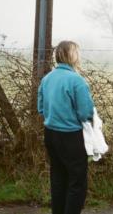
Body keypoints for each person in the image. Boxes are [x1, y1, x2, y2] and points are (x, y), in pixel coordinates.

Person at [38, 41, 94, 214]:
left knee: (58, 178)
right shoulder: (77, 81)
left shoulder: (46, 79)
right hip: (71, 136)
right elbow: (85, 113)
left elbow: (40, 108)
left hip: (50, 134)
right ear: (73, 56)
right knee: (77, 183)